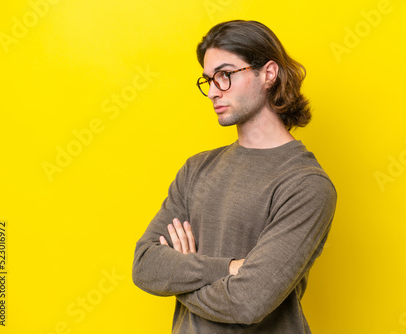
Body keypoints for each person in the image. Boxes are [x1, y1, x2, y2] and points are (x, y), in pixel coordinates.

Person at [132, 20, 337, 333]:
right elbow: (146, 265)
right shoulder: (196, 169)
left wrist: (182, 273)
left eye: (225, 75)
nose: (214, 92)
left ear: (268, 74)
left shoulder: (306, 184)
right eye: (209, 80)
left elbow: (247, 301)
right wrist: (226, 268)